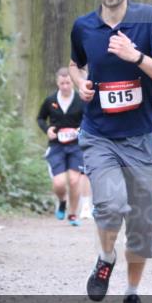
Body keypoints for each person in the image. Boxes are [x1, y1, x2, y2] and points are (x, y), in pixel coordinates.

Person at [69, 0, 152, 303]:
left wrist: (136, 56)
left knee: (144, 228)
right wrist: (82, 82)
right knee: (111, 205)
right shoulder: (83, 27)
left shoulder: (150, 20)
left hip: (142, 138)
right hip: (99, 135)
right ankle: (105, 258)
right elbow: (75, 63)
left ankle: (132, 295)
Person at [36, 68, 86, 226]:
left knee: (74, 180)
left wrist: (80, 129)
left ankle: (72, 214)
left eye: (68, 82)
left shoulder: (80, 100)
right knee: (59, 183)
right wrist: (47, 130)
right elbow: (40, 118)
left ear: (72, 82)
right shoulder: (50, 100)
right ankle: (62, 201)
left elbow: (88, 119)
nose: (65, 86)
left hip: (76, 146)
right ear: (58, 83)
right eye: (62, 83)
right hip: (57, 146)